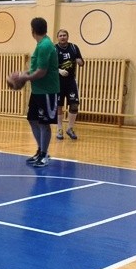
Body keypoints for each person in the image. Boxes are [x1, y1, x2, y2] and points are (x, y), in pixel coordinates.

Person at [13, 17, 59, 168]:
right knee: (32, 119)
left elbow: (41, 72)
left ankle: (44, 154)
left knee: (44, 123)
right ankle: (40, 150)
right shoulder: (41, 45)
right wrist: (23, 73)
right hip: (38, 90)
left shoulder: (45, 45)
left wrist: (24, 78)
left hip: (47, 91)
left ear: (32, 30)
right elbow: (35, 69)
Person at [54, 28, 84, 140]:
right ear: (58, 38)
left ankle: (70, 128)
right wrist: (59, 71)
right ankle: (59, 129)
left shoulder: (74, 47)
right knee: (59, 106)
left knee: (74, 104)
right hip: (58, 82)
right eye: (60, 35)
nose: (63, 37)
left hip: (71, 81)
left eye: (64, 35)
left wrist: (80, 61)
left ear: (67, 36)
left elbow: (81, 62)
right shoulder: (54, 49)